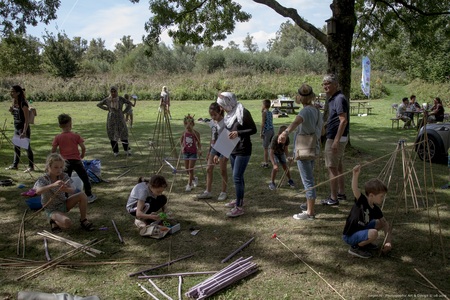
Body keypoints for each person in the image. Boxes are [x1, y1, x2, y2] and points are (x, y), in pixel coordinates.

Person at [278, 84, 322, 220]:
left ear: (299, 98)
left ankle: (310, 212)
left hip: (304, 149)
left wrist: (285, 133)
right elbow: (322, 130)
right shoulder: (316, 111)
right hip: (313, 147)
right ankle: (309, 204)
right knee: (310, 178)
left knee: (308, 180)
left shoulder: (304, 112)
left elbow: (296, 123)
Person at [217, 92, 257, 217]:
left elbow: (253, 129)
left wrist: (238, 133)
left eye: (222, 105)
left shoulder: (243, 112)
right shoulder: (230, 115)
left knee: (237, 177)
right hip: (233, 149)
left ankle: (239, 207)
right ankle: (240, 199)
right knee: (238, 177)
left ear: (229, 103)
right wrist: (219, 152)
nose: (221, 108)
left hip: (243, 150)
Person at [34, 153, 94, 233]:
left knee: (82, 195)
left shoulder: (63, 176)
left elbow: (73, 189)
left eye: (61, 167)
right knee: (67, 223)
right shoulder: (43, 178)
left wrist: (66, 189)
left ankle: (83, 220)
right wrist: (52, 185)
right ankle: (53, 220)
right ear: (49, 167)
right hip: (52, 209)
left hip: (64, 203)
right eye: (56, 167)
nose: (59, 170)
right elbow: (38, 191)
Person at [342, 165, 392, 258]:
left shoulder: (376, 209)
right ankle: (356, 247)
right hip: (350, 235)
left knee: (380, 223)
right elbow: (355, 189)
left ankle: (364, 242)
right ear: (372, 195)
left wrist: (388, 242)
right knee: (374, 233)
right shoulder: (362, 201)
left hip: (361, 230)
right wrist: (355, 175)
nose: (383, 198)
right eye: (381, 196)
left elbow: (385, 224)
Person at [51, 113, 97, 203]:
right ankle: (89, 195)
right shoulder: (76, 136)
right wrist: (82, 154)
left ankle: (64, 196)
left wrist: (55, 160)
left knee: (64, 179)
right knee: (84, 177)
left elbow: (53, 151)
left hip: (64, 162)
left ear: (60, 125)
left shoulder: (58, 137)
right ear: (70, 125)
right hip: (76, 160)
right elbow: (83, 147)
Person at [321, 74, 349, 206]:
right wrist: (327, 124)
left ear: (335, 85)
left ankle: (333, 198)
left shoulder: (339, 98)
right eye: (324, 84)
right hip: (334, 136)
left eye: (328, 83)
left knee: (332, 167)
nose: (325, 86)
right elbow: (336, 118)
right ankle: (341, 193)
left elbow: (343, 120)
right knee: (338, 167)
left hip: (334, 138)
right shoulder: (333, 98)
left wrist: (336, 141)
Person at [197, 103, 228, 201]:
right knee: (208, 168)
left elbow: (227, 139)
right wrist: (209, 151)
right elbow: (213, 137)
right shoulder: (212, 122)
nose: (213, 117)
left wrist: (219, 155)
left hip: (224, 147)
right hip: (214, 147)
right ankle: (208, 191)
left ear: (220, 111)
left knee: (223, 170)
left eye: (215, 114)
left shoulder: (226, 123)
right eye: (211, 115)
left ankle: (223, 192)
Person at [97, 86, 133, 157]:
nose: (113, 93)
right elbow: (99, 104)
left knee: (123, 133)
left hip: (120, 117)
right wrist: (107, 109)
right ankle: (115, 151)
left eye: (114, 91)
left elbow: (130, 103)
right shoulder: (107, 99)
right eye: (112, 92)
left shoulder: (121, 99)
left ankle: (127, 150)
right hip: (111, 118)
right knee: (112, 134)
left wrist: (124, 111)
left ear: (117, 91)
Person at [6, 85, 35, 172]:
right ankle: (15, 165)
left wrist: (24, 131)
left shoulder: (23, 103)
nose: (11, 93)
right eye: (11, 91)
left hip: (23, 127)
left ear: (18, 93)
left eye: (13, 92)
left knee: (26, 147)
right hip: (16, 126)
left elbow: (26, 120)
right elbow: (16, 115)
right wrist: (12, 111)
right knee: (16, 146)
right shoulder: (14, 101)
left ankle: (31, 166)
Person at [268, 125, 295, 190]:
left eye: (284, 138)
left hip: (281, 153)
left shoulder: (287, 138)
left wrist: (288, 156)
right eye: (281, 138)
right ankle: (272, 182)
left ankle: (290, 180)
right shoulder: (274, 139)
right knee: (276, 167)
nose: (282, 140)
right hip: (274, 153)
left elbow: (286, 149)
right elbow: (271, 153)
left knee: (285, 166)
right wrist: (274, 164)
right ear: (279, 134)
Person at [180, 114, 202, 192]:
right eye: (186, 124)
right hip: (186, 152)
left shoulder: (196, 133)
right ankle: (194, 179)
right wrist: (182, 147)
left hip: (193, 153)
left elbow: (199, 143)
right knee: (187, 169)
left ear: (193, 124)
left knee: (190, 169)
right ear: (184, 124)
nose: (188, 126)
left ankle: (189, 184)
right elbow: (181, 141)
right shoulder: (184, 133)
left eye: (190, 124)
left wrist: (199, 150)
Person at [260, 99, 274, 168]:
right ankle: (271, 159)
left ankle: (265, 163)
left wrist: (261, 132)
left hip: (267, 131)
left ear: (264, 105)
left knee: (265, 148)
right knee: (270, 147)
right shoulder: (270, 112)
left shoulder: (264, 113)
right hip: (272, 130)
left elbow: (263, 124)